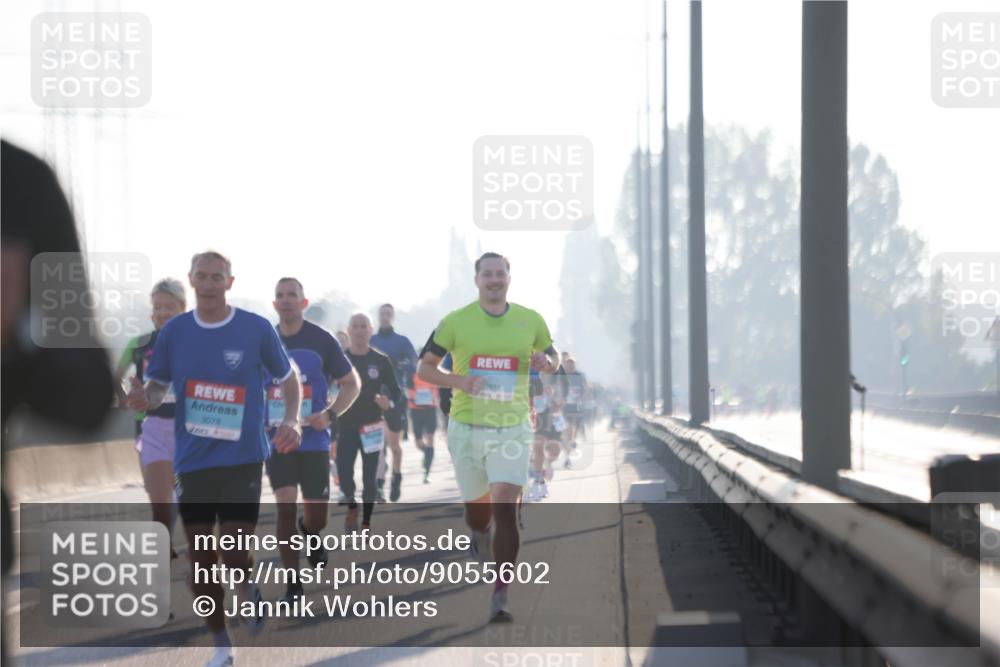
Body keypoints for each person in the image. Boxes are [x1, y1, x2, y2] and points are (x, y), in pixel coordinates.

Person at [129, 251, 302, 667]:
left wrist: (292, 419)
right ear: (191, 280)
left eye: (216, 276)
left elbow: (287, 377)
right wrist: (143, 398)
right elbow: (157, 388)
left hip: (243, 457)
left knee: (235, 550)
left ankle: (246, 586)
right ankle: (222, 644)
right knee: (202, 562)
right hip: (191, 460)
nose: (208, 283)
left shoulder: (255, 328)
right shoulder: (175, 334)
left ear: (230, 281)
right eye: (201, 276)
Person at [2, 140, 115, 664]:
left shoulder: (20, 183)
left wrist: (16, 333)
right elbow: (85, 394)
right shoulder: (20, 178)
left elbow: (85, 393)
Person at [417, 252, 560, 623]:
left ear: (509, 278)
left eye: (501, 274)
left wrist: (550, 363)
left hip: (512, 427)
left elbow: (552, 353)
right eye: (488, 274)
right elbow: (425, 368)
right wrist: (459, 381)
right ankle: (478, 534)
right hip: (467, 426)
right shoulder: (455, 322)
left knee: (506, 510)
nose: (494, 280)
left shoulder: (530, 320)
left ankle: (501, 591)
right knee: (478, 515)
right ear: (477, 280)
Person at [267, 278, 360, 605]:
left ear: (303, 303)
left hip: (315, 440)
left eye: (292, 295)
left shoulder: (321, 340)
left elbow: (351, 384)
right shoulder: (266, 339)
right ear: (274, 303)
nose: (286, 300)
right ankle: (293, 584)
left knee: (316, 517)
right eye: (280, 296)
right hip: (278, 439)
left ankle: (311, 534)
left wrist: (330, 415)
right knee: (285, 508)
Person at [120, 278, 187, 557]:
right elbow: (115, 375)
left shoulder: (197, 342)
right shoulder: (139, 344)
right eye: (158, 307)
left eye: (169, 306)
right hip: (150, 425)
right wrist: (128, 399)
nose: (163, 312)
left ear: (183, 309)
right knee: (157, 494)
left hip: (190, 429)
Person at [337, 313, 401, 531]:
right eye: (355, 326)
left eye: (364, 326)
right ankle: (352, 507)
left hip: (372, 426)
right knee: (344, 473)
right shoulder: (340, 359)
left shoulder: (380, 360)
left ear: (370, 330)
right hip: (345, 425)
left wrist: (388, 402)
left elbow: (396, 391)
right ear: (349, 330)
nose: (360, 330)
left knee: (370, 477)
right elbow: (326, 386)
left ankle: (366, 521)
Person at [370, 304, 417, 502]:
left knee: (394, 445)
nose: (385, 317)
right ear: (378, 316)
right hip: (372, 396)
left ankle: (396, 476)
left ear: (393, 316)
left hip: (395, 397)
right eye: (382, 314)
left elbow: (414, 362)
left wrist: (400, 364)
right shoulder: (371, 340)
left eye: (388, 314)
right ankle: (378, 485)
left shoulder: (402, 341)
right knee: (377, 444)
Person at [407, 370, 439, 484]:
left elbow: (440, 390)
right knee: (419, 443)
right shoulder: (411, 375)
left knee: (430, 439)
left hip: (430, 410)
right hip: (416, 412)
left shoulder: (433, 374)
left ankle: (427, 472)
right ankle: (427, 453)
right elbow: (407, 390)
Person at [561, 356, 589, 468]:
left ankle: (571, 446)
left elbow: (585, 388)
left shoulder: (579, 375)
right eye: (568, 364)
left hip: (576, 406)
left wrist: (581, 397)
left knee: (573, 433)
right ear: (565, 365)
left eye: (572, 365)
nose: (570, 367)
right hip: (564, 407)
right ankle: (567, 458)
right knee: (567, 432)